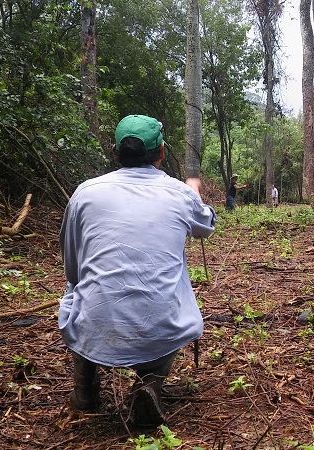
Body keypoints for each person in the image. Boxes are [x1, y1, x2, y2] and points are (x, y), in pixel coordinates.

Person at [58, 114, 216, 427]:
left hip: (95, 327)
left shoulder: (85, 193)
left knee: (74, 290)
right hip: (160, 327)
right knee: (172, 302)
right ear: (160, 154)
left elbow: (72, 263)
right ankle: (150, 384)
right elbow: (206, 227)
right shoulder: (179, 193)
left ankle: (85, 392)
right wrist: (193, 190)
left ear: (115, 154)